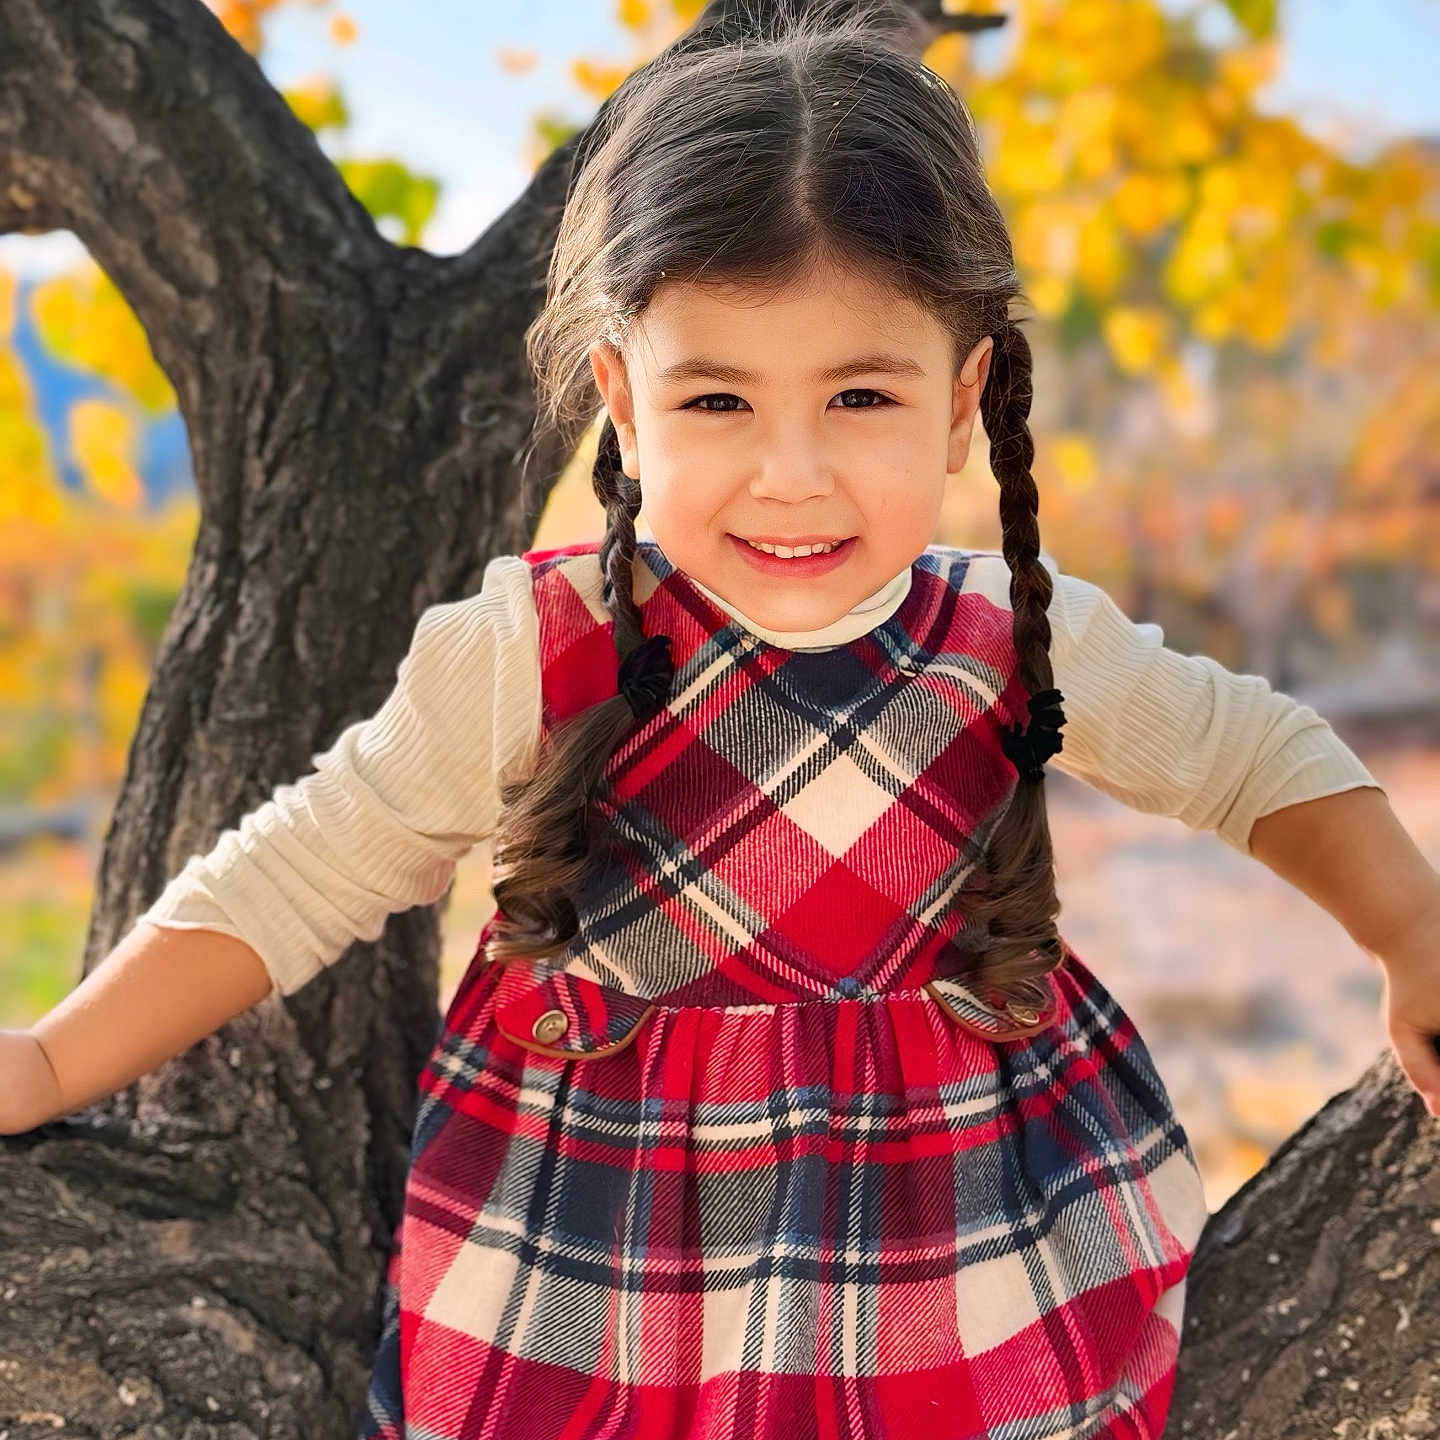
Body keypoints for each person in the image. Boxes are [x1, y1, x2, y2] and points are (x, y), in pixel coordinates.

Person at [5, 3, 1439, 1437]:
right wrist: (58, 1057)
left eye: (860, 394)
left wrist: (1409, 931)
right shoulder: (544, 649)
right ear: (622, 402)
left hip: (953, 1250)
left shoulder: (1008, 633)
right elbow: (302, 867)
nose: (791, 474)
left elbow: (1255, 762)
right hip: (603, 1263)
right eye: (718, 401)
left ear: (964, 400)